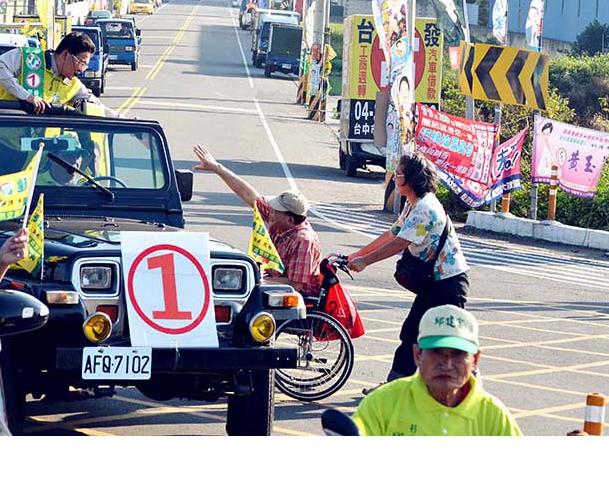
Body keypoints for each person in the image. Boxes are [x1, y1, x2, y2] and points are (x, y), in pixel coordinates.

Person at [348, 151, 470, 388]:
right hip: (435, 283)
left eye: (399, 174)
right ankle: (398, 386)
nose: (394, 177)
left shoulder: (425, 208)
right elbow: (391, 234)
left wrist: (365, 262)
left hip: (449, 284)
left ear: (411, 179)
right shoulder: (412, 204)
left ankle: (464, 389)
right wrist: (358, 254)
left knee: (445, 340)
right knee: (413, 332)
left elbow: (398, 243)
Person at [353, 305, 522, 436]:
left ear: (475, 359)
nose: (447, 364)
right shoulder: (382, 403)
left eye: (458, 354)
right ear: (417, 354)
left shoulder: (493, 415)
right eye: (436, 352)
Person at [192, 144, 322, 295]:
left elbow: (295, 285)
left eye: (276, 210)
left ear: (290, 220)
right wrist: (217, 168)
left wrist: (255, 279)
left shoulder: (304, 241)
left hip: (296, 296)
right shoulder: (279, 219)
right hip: (274, 280)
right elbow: (249, 195)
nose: (271, 212)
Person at [0, 32, 118, 117]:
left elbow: (97, 107)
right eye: (81, 63)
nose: (82, 70)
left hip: (29, 151)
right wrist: (27, 96)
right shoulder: (30, 58)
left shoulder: (73, 85)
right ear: (66, 54)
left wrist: (126, 121)